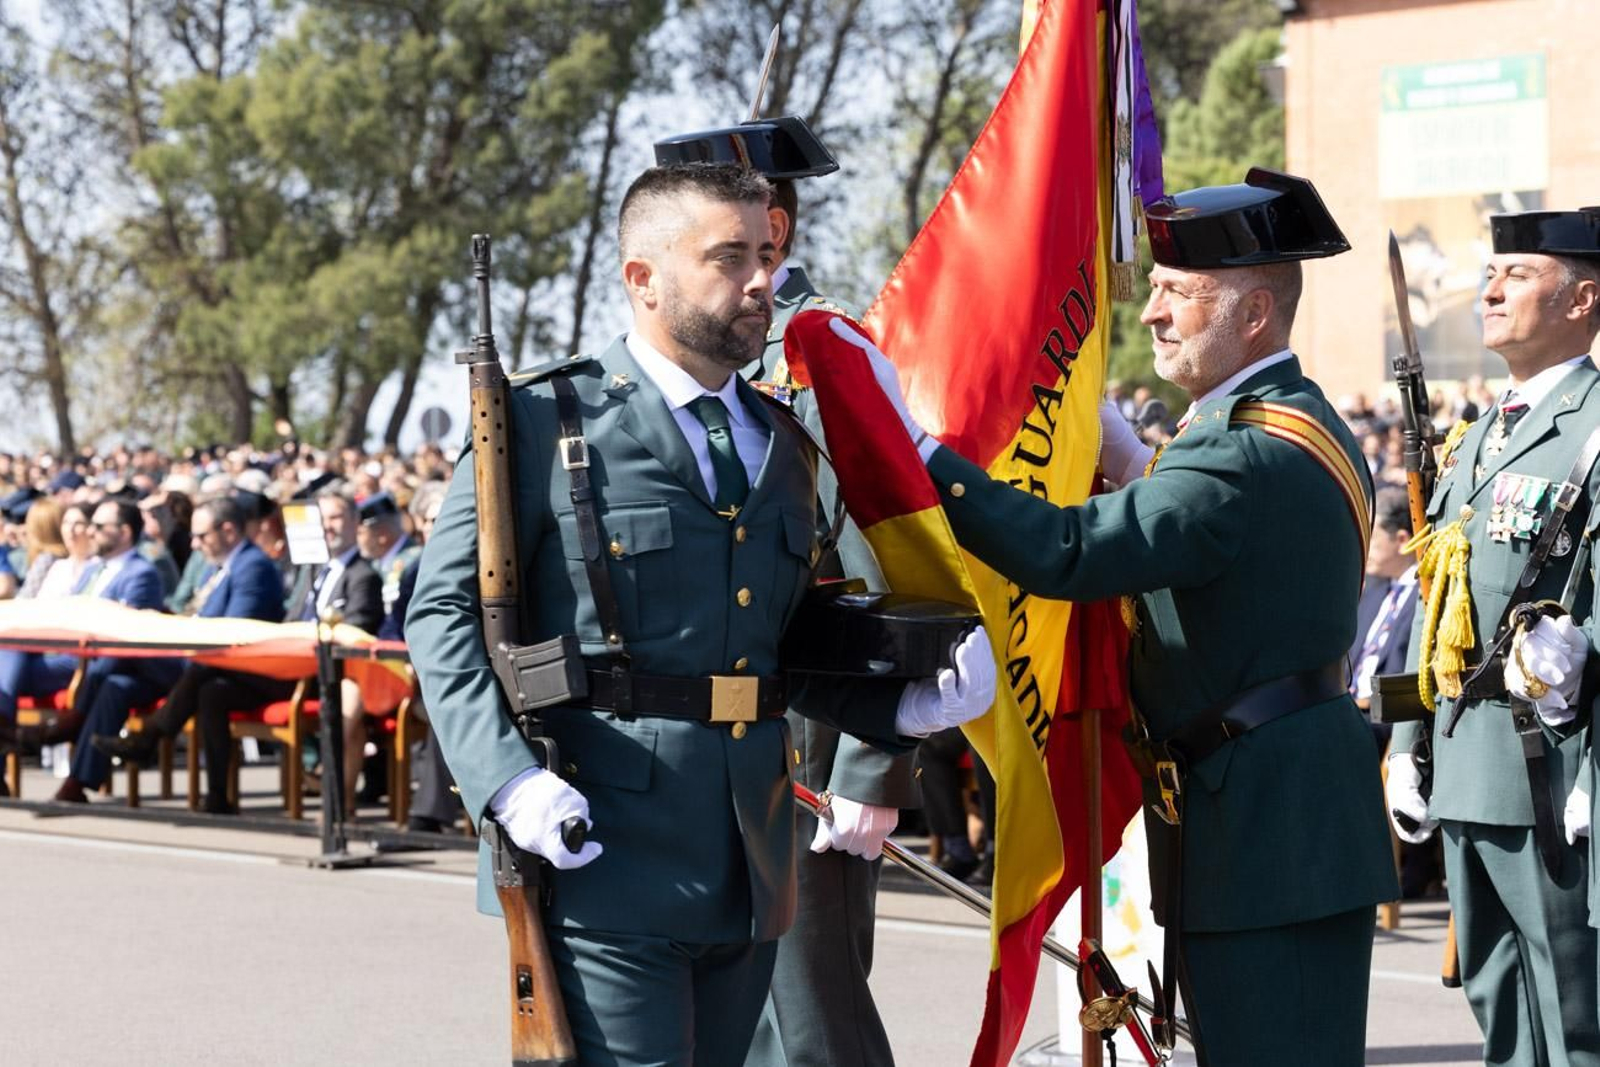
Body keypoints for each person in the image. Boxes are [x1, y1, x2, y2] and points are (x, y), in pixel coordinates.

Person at [406, 162, 994, 1065]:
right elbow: (442, 614)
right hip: (600, 848)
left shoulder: (782, 441)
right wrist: (507, 781)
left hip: (752, 859)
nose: (762, 279)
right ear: (642, 278)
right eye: (730, 257)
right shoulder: (541, 422)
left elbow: (785, 642)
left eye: (767, 252)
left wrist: (903, 704)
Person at [849, 168, 1398, 1064]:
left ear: (1254, 314)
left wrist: (919, 454)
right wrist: (1138, 460)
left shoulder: (1240, 453)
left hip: (1269, 833)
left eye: (1179, 293)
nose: (1151, 315)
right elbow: (1222, 555)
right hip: (1271, 816)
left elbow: (1068, 553)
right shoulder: (1285, 424)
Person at [656, 113, 918, 1067]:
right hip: (702, 761)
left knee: (810, 1025)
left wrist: (871, 768)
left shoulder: (823, 355)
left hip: (807, 749)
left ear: (776, 231)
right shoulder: (693, 361)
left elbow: (883, 569)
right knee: (728, 1028)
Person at [1388, 208, 1600, 1066]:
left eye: (1520, 274)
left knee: (1571, 1006)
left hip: (1547, 769)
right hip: (1464, 761)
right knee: (1495, 996)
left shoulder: (1590, 430)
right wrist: (1404, 738)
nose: (1493, 286)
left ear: (1583, 298)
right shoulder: (1478, 435)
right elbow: (1433, 594)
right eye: (1491, 272)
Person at [87, 495, 287, 812]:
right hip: (222, 672)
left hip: (259, 671)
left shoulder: (253, 567)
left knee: (198, 668)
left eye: (202, 535)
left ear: (229, 531)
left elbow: (232, 631)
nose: (194, 544)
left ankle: (150, 736)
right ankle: (218, 796)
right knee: (210, 692)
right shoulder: (217, 568)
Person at [42, 499, 177, 803]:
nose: (91, 531)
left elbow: (128, 637)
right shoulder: (94, 571)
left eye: (100, 527)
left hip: (140, 668)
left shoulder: (141, 573)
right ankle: (76, 780)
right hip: (98, 667)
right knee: (111, 684)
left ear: (125, 532)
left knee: (110, 671)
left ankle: (74, 742)